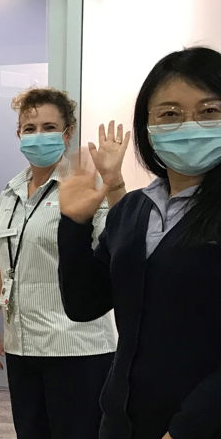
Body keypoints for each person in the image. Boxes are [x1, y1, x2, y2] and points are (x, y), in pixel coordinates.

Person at [59, 46, 221, 439]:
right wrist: (74, 225)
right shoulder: (134, 208)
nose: (189, 125)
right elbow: (84, 305)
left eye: (209, 111)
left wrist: (188, 429)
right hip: (124, 418)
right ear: (147, 127)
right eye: (169, 114)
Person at [0, 88, 126, 439]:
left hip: (77, 346)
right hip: (23, 345)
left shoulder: (84, 187)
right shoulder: (11, 192)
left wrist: (115, 184)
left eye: (48, 126)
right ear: (18, 134)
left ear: (68, 132)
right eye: (29, 128)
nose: (37, 135)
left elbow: (122, 244)